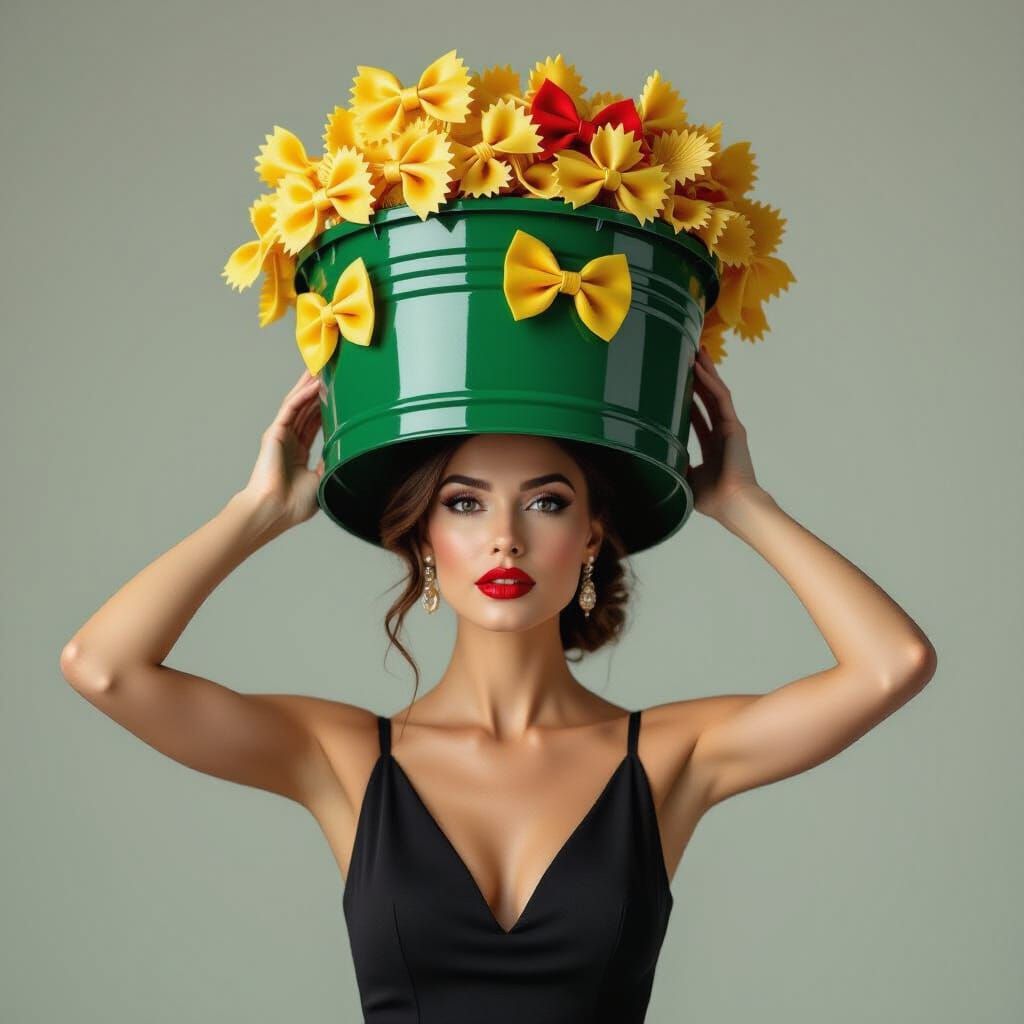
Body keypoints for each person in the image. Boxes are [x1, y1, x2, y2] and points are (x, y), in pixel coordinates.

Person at [59, 347, 937, 1022]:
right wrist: (256, 512)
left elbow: (891, 665)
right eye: (466, 503)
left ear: (593, 537)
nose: (506, 538)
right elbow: (104, 667)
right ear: (422, 537)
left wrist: (745, 502)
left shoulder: (671, 755)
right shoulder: (342, 757)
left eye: (548, 502)